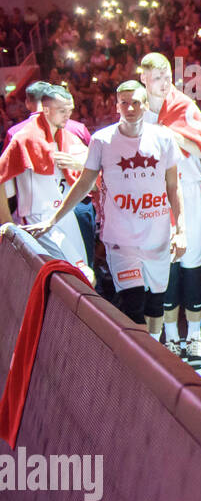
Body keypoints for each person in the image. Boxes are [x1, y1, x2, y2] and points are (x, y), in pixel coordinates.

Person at [26, 81, 184, 329]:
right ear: (117, 105)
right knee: (134, 305)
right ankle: (140, 366)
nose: (130, 108)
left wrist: (181, 231)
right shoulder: (102, 140)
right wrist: (52, 220)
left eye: (135, 102)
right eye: (124, 102)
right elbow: (83, 184)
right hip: (120, 239)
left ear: (145, 105)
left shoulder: (164, 138)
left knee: (155, 305)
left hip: (157, 236)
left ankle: (154, 358)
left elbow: (174, 187)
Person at [139, 52, 201, 367]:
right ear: (145, 79)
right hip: (155, 196)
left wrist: (173, 134)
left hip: (189, 192)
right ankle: (171, 339)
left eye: (167, 77)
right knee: (166, 270)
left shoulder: (184, 107)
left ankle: (195, 338)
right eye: (157, 78)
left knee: (192, 266)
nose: (164, 83)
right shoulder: (137, 110)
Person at [0, 82, 92, 277]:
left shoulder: (70, 137)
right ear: (46, 110)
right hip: (38, 219)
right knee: (82, 275)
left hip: (66, 215)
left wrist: (80, 165)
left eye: (70, 110)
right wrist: (7, 223)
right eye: (62, 110)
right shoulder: (23, 138)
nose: (68, 115)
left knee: (80, 277)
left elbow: (95, 174)